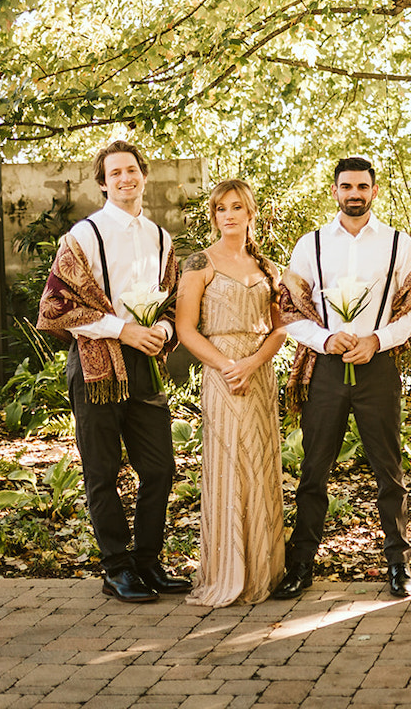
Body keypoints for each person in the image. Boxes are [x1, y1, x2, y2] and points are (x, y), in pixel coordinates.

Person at [36, 139, 190, 603]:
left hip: (146, 366)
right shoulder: (82, 236)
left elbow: (174, 300)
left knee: (160, 469)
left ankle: (147, 562)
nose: (125, 179)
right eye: (115, 173)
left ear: (144, 176)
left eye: (132, 171)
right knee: (102, 473)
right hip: (96, 368)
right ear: (103, 183)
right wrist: (121, 330)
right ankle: (116, 568)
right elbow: (56, 305)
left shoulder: (162, 238)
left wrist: (163, 328)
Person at [272, 156, 411, 601]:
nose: (354, 194)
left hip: (377, 367)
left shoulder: (400, 244)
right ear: (335, 191)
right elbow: (287, 308)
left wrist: (378, 340)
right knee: (313, 469)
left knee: (389, 469)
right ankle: (301, 564)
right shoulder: (312, 244)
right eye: (347, 186)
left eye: (362, 186)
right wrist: (325, 339)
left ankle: (399, 564)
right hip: (326, 367)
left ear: (374, 191)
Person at [175, 180, 289, 607]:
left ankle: (263, 570)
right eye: (221, 209)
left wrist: (253, 363)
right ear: (214, 216)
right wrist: (226, 366)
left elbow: (280, 329)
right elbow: (186, 328)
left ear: (250, 213)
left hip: (258, 374)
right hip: (221, 374)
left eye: (237, 207)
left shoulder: (269, 269)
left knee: (259, 465)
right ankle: (226, 572)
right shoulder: (198, 263)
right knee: (227, 466)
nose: (229, 215)